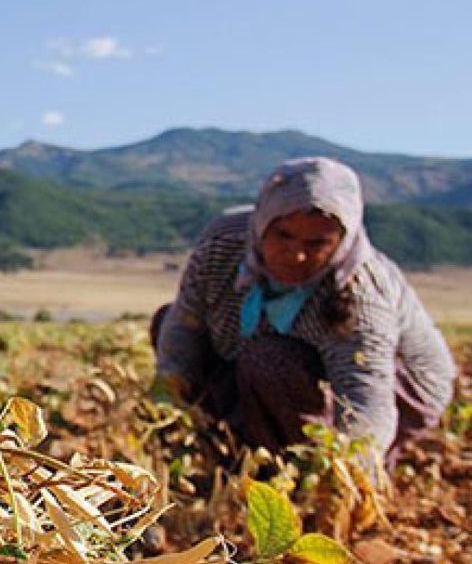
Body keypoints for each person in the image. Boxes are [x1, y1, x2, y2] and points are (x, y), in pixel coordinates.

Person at [153, 157, 456, 469]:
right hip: (275, 363)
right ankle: (235, 449)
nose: (297, 255)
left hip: (397, 386)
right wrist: (169, 409)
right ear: (262, 224)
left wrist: (344, 471)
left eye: (317, 243)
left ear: (342, 241)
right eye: (283, 235)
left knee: (269, 361)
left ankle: (288, 469)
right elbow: (184, 326)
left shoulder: (358, 294)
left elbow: (365, 398)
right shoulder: (223, 244)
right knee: (167, 322)